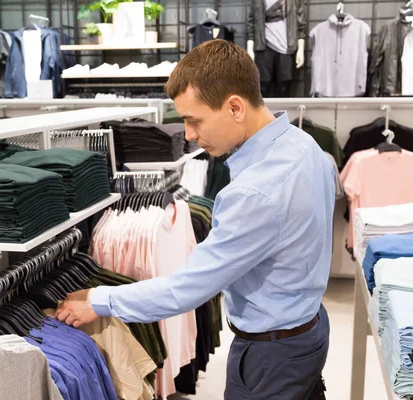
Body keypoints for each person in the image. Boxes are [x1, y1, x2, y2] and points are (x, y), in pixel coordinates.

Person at [56, 39, 335, 400]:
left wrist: (97, 300)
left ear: (235, 107)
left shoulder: (252, 194)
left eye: (193, 120)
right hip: (310, 327)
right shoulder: (306, 146)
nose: (188, 134)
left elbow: (184, 290)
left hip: (272, 355)